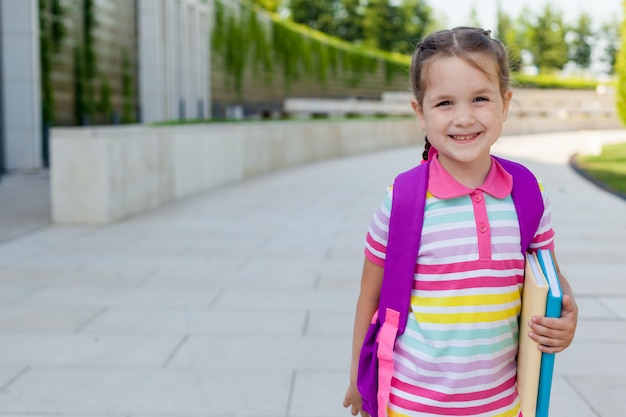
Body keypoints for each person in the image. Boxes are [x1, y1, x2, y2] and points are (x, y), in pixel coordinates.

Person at [342, 27, 578, 417]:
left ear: (505, 103)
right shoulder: (402, 199)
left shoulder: (529, 194)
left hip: (501, 405)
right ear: (420, 112)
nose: (464, 118)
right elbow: (370, 297)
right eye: (445, 103)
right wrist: (358, 378)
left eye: (480, 99)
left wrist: (567, 313)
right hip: (412, 404)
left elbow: (549, 277)